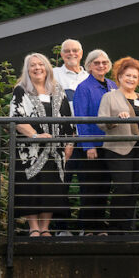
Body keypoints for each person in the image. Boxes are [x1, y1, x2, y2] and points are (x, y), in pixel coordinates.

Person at [10, 53, 75, 237]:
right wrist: (35, 135)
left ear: (47, 68)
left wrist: (69, 143)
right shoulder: (21, 90)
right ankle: (34, 228)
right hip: (30, 151)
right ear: (27, 69)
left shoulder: (57, 89)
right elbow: (17, 118)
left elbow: (68, 118)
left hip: (56, 150)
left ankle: (45, 227)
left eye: (41, 64)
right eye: (33, 65)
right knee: (31, 188)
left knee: (51, 188)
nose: (37, 68)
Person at [97, 57, 139, 233]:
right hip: (118, 149)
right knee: (123, 187)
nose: (131, 79)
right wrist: (115, 120)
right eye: (128, 75)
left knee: (134, 189)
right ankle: (114, 228)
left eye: (135, 76)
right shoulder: (109, 97)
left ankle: (126, 228)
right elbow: (101, 122)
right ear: (119, 76)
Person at [71, 49, 116, 234]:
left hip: (110, 146)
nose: (101, 66)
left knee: (104, 186)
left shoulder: (112, 85)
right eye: (96, 63)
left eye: (104, 62)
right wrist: (88, 145)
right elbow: (81, 119)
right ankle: (88, 227)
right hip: (92, 147)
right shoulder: (84, 88)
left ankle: (99, 226)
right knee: (90, 188)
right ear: (89, 66)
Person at [50, 38, 86, 235]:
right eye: (67, 51)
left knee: (87, 186)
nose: (71, 54)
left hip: (86, 139)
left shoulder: (89, 76)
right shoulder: (53, 74)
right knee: (61, 184)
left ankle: (84, 227)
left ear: (81, 53)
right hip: (62, 138)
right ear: (61, 54)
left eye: (75, 50)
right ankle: (61, 229)